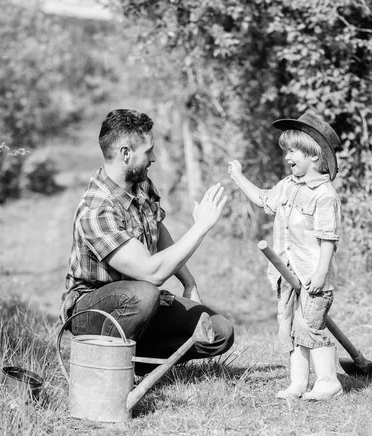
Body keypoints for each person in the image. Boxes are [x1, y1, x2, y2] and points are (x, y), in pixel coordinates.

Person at [61, 108, 234, 375]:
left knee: (219, 331)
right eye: (148, 151)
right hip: (92, 311)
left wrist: (188, 282)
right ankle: (103, 369)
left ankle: (135, 360)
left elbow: (157, 228)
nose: (153, 157)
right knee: (144, 293)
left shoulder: (140, 183)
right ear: (125, 153)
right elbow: (151, 273)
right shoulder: (97, 209)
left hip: (138, 303)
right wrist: (200, 227)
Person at [228, 111, 343, 401]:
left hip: (312, 276)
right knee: (290, 328)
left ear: (314, 155)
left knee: (311, 328)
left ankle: (329, 382)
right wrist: (239, 178)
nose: (287, 157)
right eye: (287, 151)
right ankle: (298, 383)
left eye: (293, 151)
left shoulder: (324, 195)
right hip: (287, 275)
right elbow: (263, 199)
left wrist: (319, 273)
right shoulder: (287, 186)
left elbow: (328, 240)